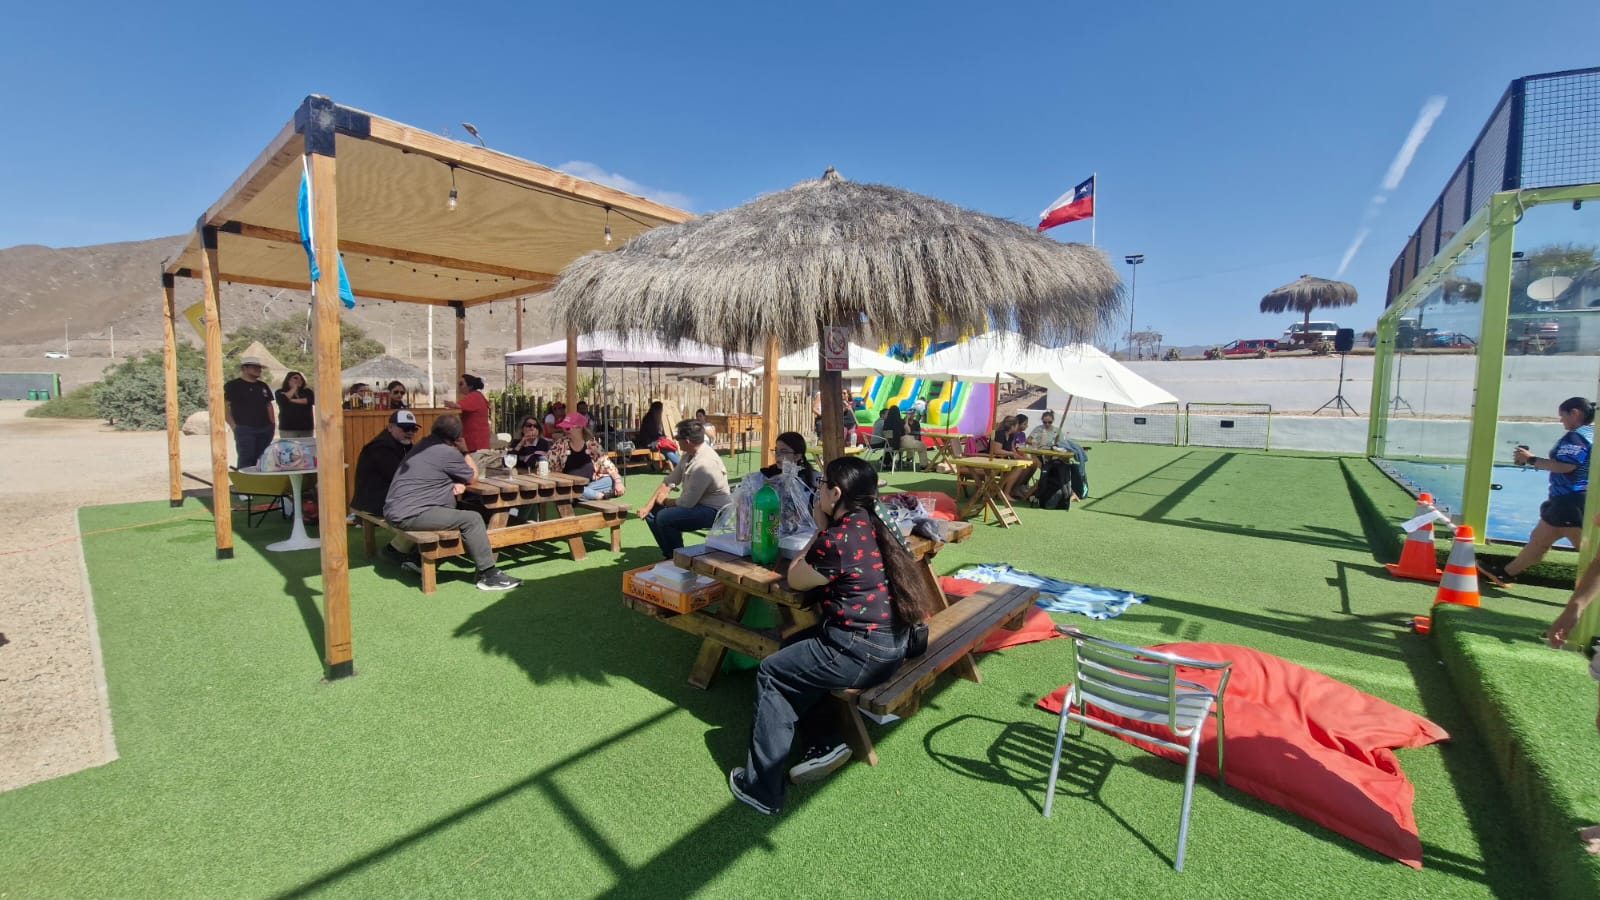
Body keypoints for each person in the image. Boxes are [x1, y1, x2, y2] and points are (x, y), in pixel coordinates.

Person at [727, 455, 939, 816]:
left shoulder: (838, 539)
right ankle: (824, 742)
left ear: (836, 493)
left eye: (823, 484)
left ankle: (761, 788)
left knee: (772, 674)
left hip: (861, 653)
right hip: (895, 644)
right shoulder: (881, 523)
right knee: (793, 651)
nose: (819, 489)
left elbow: (795, 577)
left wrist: (819, 528)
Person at [383, 414, 521, 591]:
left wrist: (455, 482)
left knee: (459, 510)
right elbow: (473, 476)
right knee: (472, 519)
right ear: (457, 438)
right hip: (410, 514)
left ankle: (416, 559)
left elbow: (434, 474)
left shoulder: (423, 446)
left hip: (398, 508)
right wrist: (464, 451)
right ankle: (488, 574)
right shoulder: (446, 452)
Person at [1480, 397, 1595, 587]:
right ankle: (1506, 574)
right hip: (1568, 500)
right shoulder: (1591, 434)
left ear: (1575, 413)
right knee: (1540, 540)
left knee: (1587, 551)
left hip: (1570, 501)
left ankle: (1589, 595)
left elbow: (1566, 466)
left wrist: (1531, 460)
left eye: (1562, 416)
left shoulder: (1576, 437)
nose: (1561, 421)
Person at [639, 419, 732, 558]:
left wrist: (664, 501)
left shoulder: (705, 465)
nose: (676, 440)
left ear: (687, 441)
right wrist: (648, 506)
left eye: (677, 438)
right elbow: (669, 481)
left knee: (665, 517)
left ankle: (679, 558)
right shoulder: (689, 454)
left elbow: (686, 503)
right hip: (697, 504)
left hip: (714, 511)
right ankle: (670, 555)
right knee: (652, 513)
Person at [351, 409, 421, 565]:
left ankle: (404, 548)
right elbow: (400, 477)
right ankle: (396, 549)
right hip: (373, 500)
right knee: (424, 507)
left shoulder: (403, 445)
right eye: (405, 428)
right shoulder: (380, 447)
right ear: (390, 427)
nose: (410, 433)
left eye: (413, 429)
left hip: (387, 495)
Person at [549, 419, 626, 501]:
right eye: (564, 428)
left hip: (591, 483)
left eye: (568, 428)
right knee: (568, 489)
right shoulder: (560, 444)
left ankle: (583, 495)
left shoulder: (592, 444)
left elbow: (607, 463)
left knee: (611, 480)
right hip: (569, 485)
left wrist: (618, 482)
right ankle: (600, 496)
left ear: (579, 428)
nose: (565, 430)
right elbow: (549, 463)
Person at [224, 357, 276, 468]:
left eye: (259, 367)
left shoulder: (263, 386)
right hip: (244, 428)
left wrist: (272, 423)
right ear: (244, 368)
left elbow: (268, 404)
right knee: (246, 459)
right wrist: (234, 426)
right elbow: (224, 406)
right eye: (254, 367)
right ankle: (246, 484)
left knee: (263, 459)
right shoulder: (233, 385)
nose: (258, 370)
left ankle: (261, 484)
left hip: (265, 428)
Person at [444, 373, 491, 452]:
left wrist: (447, 403)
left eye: (461, 384)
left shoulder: (474, 396)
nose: (458, 386)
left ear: (470, 386)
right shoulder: (477, 395)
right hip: (479, 442)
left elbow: (457, 406)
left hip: (476, 443)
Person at [635, 400, 681, 470]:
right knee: (667, 449)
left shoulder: (656, 418)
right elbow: (653, 434)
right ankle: (680, 465)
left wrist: (664, 438)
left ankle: (678, 464)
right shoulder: (649, 419)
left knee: (672, 446)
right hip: (648, 442)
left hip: (656, 440)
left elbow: (659, 434)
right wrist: (662, 438)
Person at [274, 371, 315, 438]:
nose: (299, 380)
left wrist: (290, 400)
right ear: (288, 380)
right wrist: (294, 388)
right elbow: (283, 402)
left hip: (306, 427)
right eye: (295, 378)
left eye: (301, 378)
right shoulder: (280, 392)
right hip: (288, 428)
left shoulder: (307, 391)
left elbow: (309, 401)